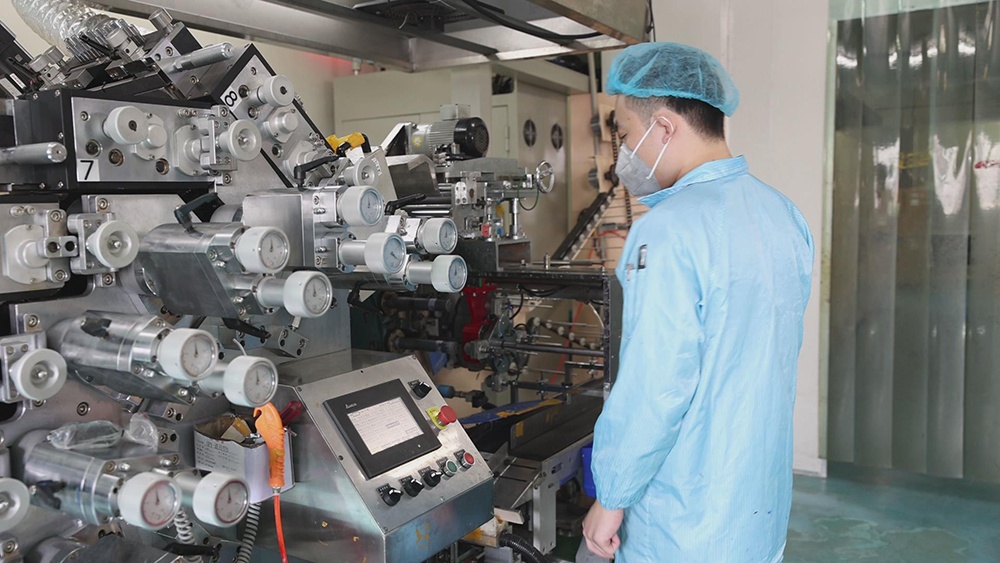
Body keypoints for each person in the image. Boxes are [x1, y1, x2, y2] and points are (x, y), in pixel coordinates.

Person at [581, 43, 814, 562]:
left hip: (684, 518)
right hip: (757, 506)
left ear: (664, 128)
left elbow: (656, 385)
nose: (624, 153)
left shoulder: (667, 230)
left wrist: (611, 498)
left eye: (625, 133)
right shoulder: (784, 215)